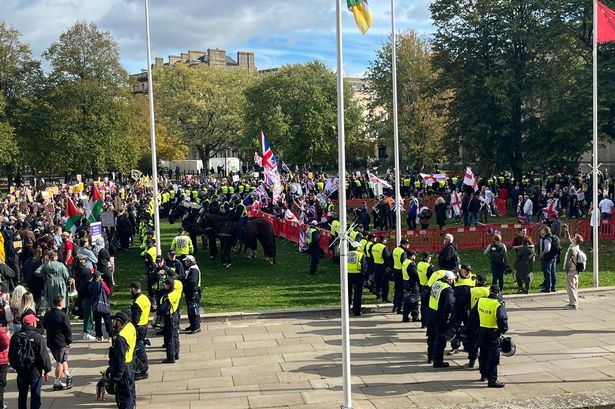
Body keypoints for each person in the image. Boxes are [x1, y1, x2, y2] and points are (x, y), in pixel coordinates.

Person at [468, 285, 508, 388]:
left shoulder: (481, 301)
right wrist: (501, 331)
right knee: (493, 357)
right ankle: (492, 380)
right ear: (498, 293)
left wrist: (477, 328)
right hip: (493, 332)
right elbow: (503, 320)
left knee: (483, 354)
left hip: (482, 331)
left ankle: (483, 375)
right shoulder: (498, 305)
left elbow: (473, 315)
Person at [9, 314, 51, 409]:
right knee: (35, 395)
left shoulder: (15, 336)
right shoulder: (37, 336)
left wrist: (15, 366)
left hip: (21, 370)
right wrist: (47, 369)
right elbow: (43, 355)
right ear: (32, 323)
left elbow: (11, 353)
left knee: (22, 395)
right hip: (34, 370)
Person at [41, 295, 72, 391]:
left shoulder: (48, 314)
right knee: (60, 361)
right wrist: (69, 341)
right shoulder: (63, 315)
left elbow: (44, 325)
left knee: (63, 359)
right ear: (60, 303)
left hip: (51, 341)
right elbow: (68, 330)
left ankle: (67, 375)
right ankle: (57, 382)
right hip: (61, 342)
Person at [426, 271, 456, 368]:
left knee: (431, 336)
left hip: (431, 313)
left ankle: (430, 357)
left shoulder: (436, 283)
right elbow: (449, 304)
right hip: (440, 316)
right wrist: (448, 315)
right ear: (450, 280)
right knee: (440, 339)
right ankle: (438, 361)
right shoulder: (448, 290)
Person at [107, 311, 137, 409]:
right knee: (130, 393)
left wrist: (114, 379)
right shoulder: (130, 327)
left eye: (114, 320)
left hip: (123, 370)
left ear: (119, 322)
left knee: (124, 398)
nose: (113, 322)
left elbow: (120, 361)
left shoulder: (121, 339)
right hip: (130, 365)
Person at [129, 281, 151, 379]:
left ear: (134, 289)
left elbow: (135, 319)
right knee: (141, 348)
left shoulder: (137, 302)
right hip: (144, 325)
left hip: (138, 328)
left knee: (139, 350)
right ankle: (142, 369)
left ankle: (142, 370)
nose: (130, 291)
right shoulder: (144, 298)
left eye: (130, 289)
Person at [157, 278, 181, 364]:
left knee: (169, 336)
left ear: (168, 285)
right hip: (175, 315)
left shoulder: (168, 296)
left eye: (165, 284)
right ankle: (176, 353)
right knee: (175, 335)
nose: (164, 285)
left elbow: (162, 309)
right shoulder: (176, 291)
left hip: (169, 317)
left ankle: (171, 356)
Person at [563, 228, 585, 310]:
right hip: (575, 271)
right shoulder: (576, 246)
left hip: (571, 271)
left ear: (575, 240)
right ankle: (573, 302)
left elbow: (568, 262)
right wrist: (567, 231)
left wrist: (566, 270)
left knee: (570, 288)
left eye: (574, 238)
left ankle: (573, 304)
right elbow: (570, 240)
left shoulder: (572, 250)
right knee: (574, 288)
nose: (572, 238)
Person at [89, 271, 112, 342]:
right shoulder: (102, 283)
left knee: (97, 322)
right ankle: (110, 336)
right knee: (108, 321)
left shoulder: (91, 285)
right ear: (98, 277)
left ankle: (99, 336)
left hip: (95, 306)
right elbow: (108, 291)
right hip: (104, 305)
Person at [182, 255, 202, 334]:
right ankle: (193, 325)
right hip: (192, 293)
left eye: (186, 261)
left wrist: (184, 284)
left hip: (193, 293)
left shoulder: (193, 270)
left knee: (194, 310)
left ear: (190, 262)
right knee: (191, 310)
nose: (185, 262)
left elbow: (192, 283)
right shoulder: (191, 269)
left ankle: (196, 326)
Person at [347, 241, 367, 316]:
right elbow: (364, 266)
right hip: (358, 275)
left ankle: (346, 308)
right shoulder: (361, 255)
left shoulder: (346, 254)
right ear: (357, 247)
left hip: (348, 274)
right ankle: (356, 311)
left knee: (347, 293)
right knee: (357, 294)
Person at [391, 238, 410, 314]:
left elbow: (391, 260)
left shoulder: (395, 249)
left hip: (396, 270)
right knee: (401, 290)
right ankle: (400, 307)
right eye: (408, 244)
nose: (408, 245)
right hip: (401, 272)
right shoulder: (403, 252)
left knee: (397, 289)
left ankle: (395, 306)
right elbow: (404, 263)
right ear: (404, 244)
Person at [417, 253, 436, 328]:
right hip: (428, 287)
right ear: (427, 258)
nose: (430, 258)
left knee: (423, 306)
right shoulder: (429, 267)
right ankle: (428, 323)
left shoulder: (419, 264)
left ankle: (423, 323)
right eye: (430, 257)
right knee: (428, 307)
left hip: (421, 286)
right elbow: (432, 278)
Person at [401, 250, 420, 323]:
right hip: (412, 284)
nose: (415, 256)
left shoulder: (405, 262)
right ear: (412, 256)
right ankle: (415, 316)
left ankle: (405, 317)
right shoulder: (411, 264)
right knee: (414, 301)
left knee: (406, 302)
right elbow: (415, 275)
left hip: (406, 283)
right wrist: (419, 282)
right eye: (414, 255)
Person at [539, 226, 560, 292]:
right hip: (554, 256)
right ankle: (553, 287)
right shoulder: (553, 236)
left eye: (542, 230)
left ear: (545, 231)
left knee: (547, 272)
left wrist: (543, 253)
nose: (540, 231)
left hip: (547, 257)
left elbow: (547, 248)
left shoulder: (547, 238)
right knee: (553, 272)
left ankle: (548, 288)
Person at [371, 236, 390, 302]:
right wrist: (388, 266)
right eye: (386, 240)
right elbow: (387, 258)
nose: (386, 241)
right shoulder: (383, 247)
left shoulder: (374, 246)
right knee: (385, 282)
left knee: (377, 281)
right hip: (383, 266)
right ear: (383, 240)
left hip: (376, 265)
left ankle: (378, 295)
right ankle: (385, 297)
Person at [0, 324, 9, 409]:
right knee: (1, 384)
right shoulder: (0, 329)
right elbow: (6, 343)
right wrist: (8, 336)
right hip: (1, 360)